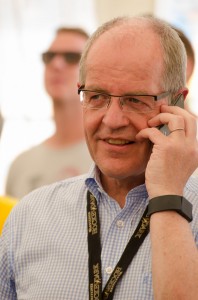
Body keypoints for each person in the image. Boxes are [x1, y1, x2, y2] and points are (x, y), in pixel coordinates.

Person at [0, 15, 198, 299]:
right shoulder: (29, 218)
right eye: (97, 96)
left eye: (135, 99)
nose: (113, 119)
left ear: (177, 104)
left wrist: (167, 196)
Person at [5, 27, 93, 199]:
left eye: (71, 58)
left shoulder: (109, 159)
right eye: (49, 57)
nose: (56, 64)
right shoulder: (20, 165)